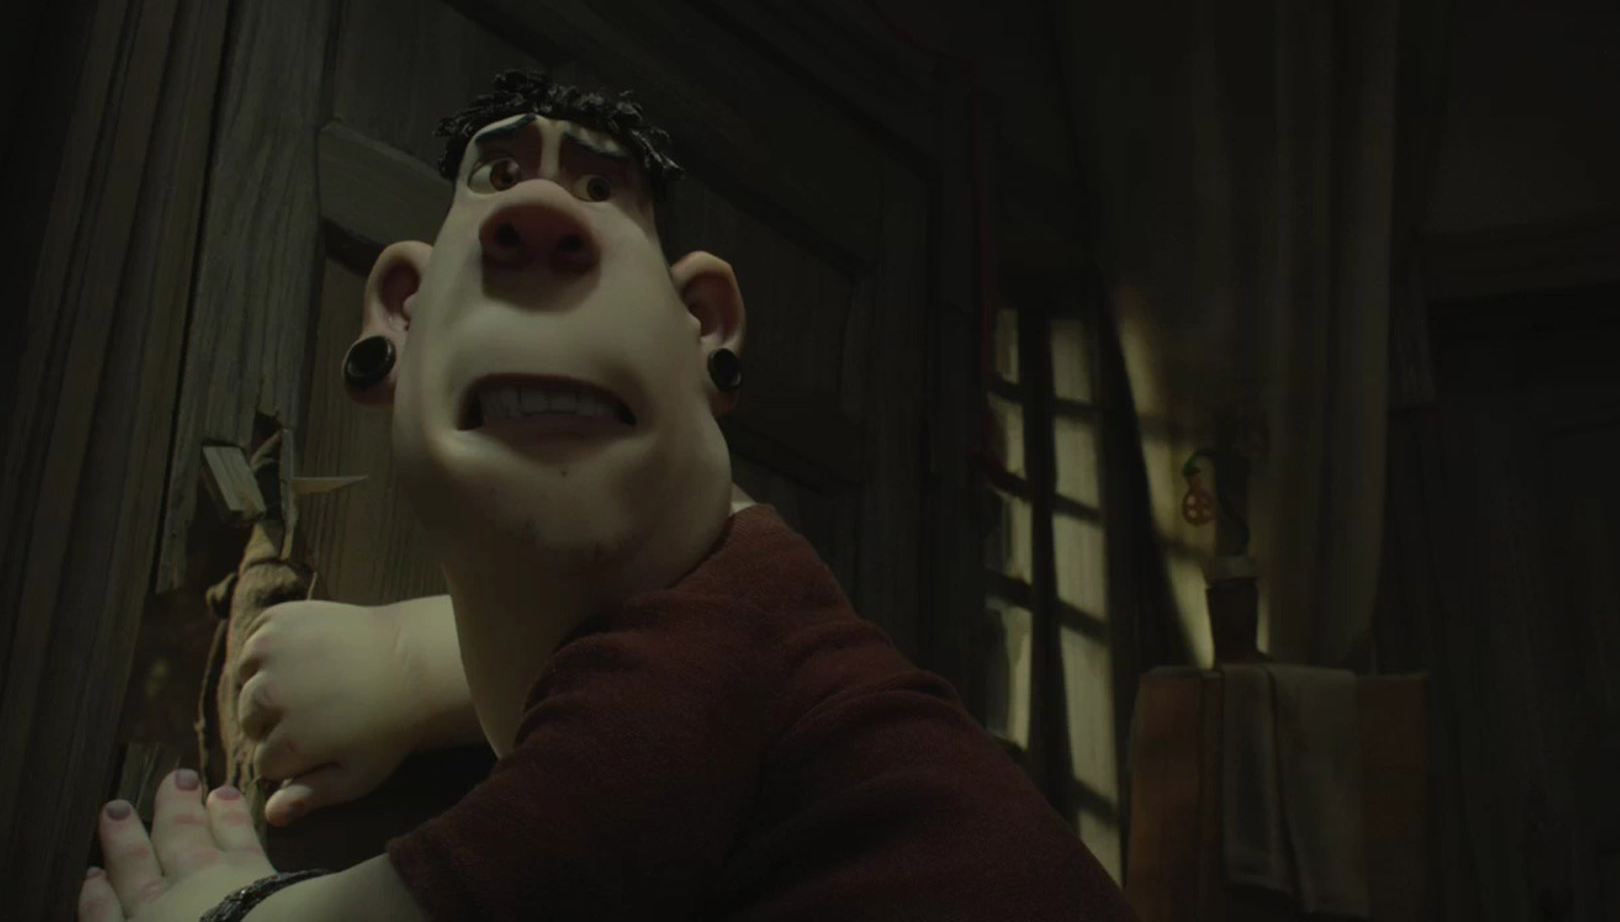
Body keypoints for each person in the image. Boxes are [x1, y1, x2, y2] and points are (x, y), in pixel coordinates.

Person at [78, 71, 1140, 921]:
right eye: (499, 178)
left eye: (599, 193)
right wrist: (405, 661)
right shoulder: (728, 618)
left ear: (703, 329)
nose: (539, 212)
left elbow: (528, 860)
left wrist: (225, 908)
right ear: (397, 316)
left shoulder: (711, 659)